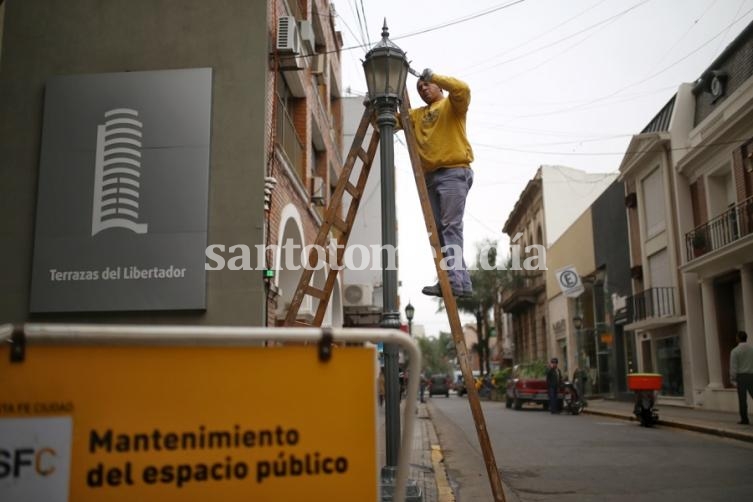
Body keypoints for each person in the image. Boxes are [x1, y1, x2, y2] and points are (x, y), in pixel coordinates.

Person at [407, 69, 474, 299]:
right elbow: (390, 121)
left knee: (450, 228)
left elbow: (463, 89)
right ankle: (460, 282)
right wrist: (373, 106)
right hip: (431, 178)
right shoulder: (416, 115)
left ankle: (452, 281)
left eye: (427, 84)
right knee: (441, 231)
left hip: (454, 172)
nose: (423, 88)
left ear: (439, 87)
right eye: (419, 88)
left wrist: (434, 75)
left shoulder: (452, 106)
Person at [730, 331, 753, 425]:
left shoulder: (735, 351)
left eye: (736, 337)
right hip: (751, 376)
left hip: (741, 377)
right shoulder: (752, 349)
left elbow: (734, 366)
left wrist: (733, 379)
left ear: (738, 338)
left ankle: (745, 419)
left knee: (742, 399)